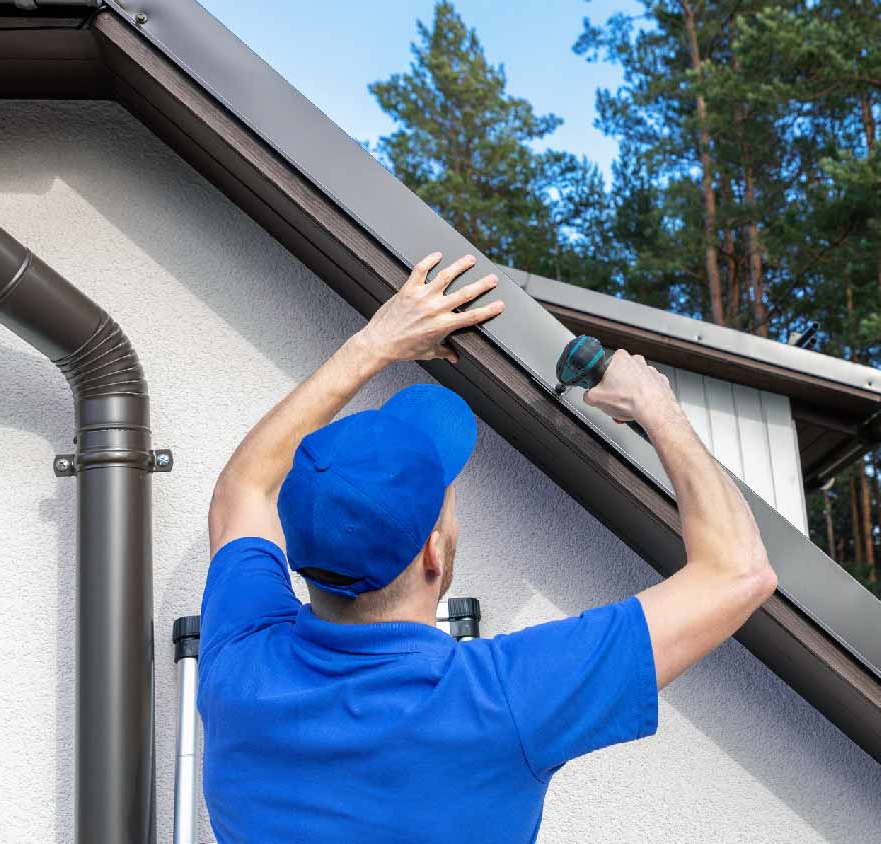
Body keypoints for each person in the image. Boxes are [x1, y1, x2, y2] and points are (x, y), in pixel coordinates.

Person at [199, 252, 776, 843]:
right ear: (433, 552)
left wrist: (375, 343)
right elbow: (739, 570)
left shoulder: (238, 663)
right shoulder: (501, 702)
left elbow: (244, 487)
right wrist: (656, 405)